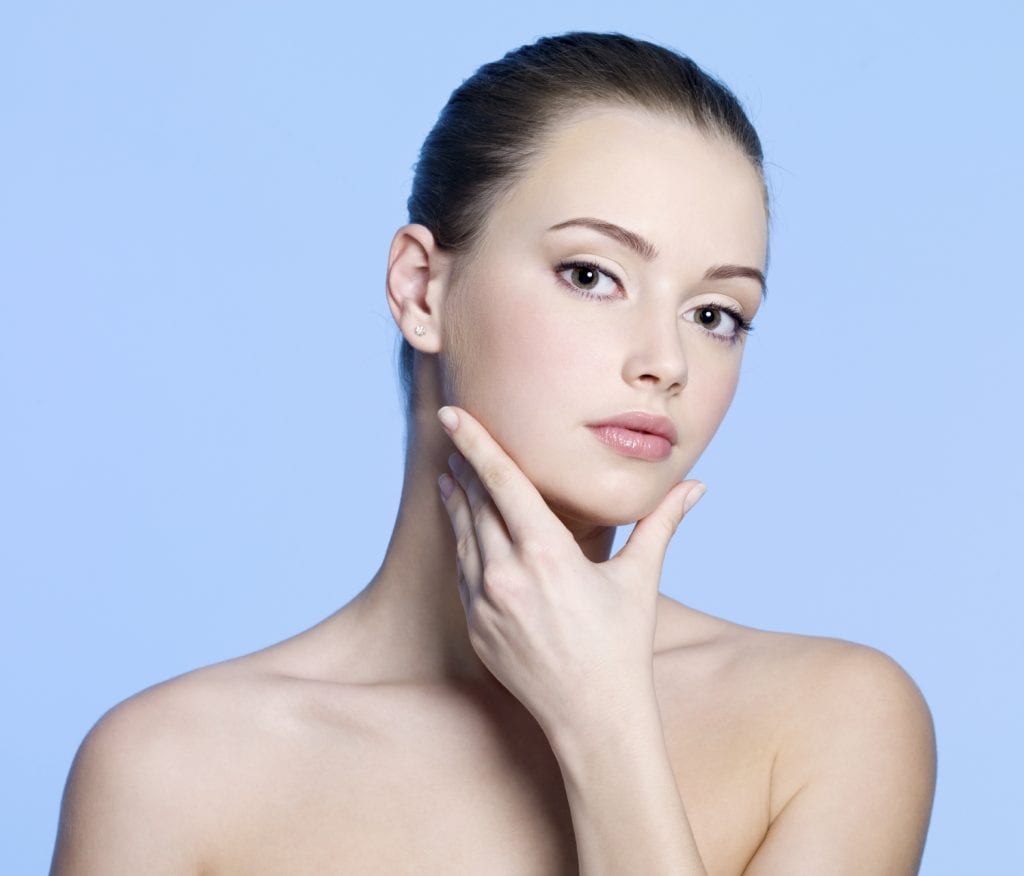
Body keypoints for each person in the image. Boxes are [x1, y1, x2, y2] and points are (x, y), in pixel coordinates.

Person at [50, 31, 936, 874]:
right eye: (592, 275)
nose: (665, 363)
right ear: (420, 288)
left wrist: (605, 724)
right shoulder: (171, 774)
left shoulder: (831, 722)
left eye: (715, 315)